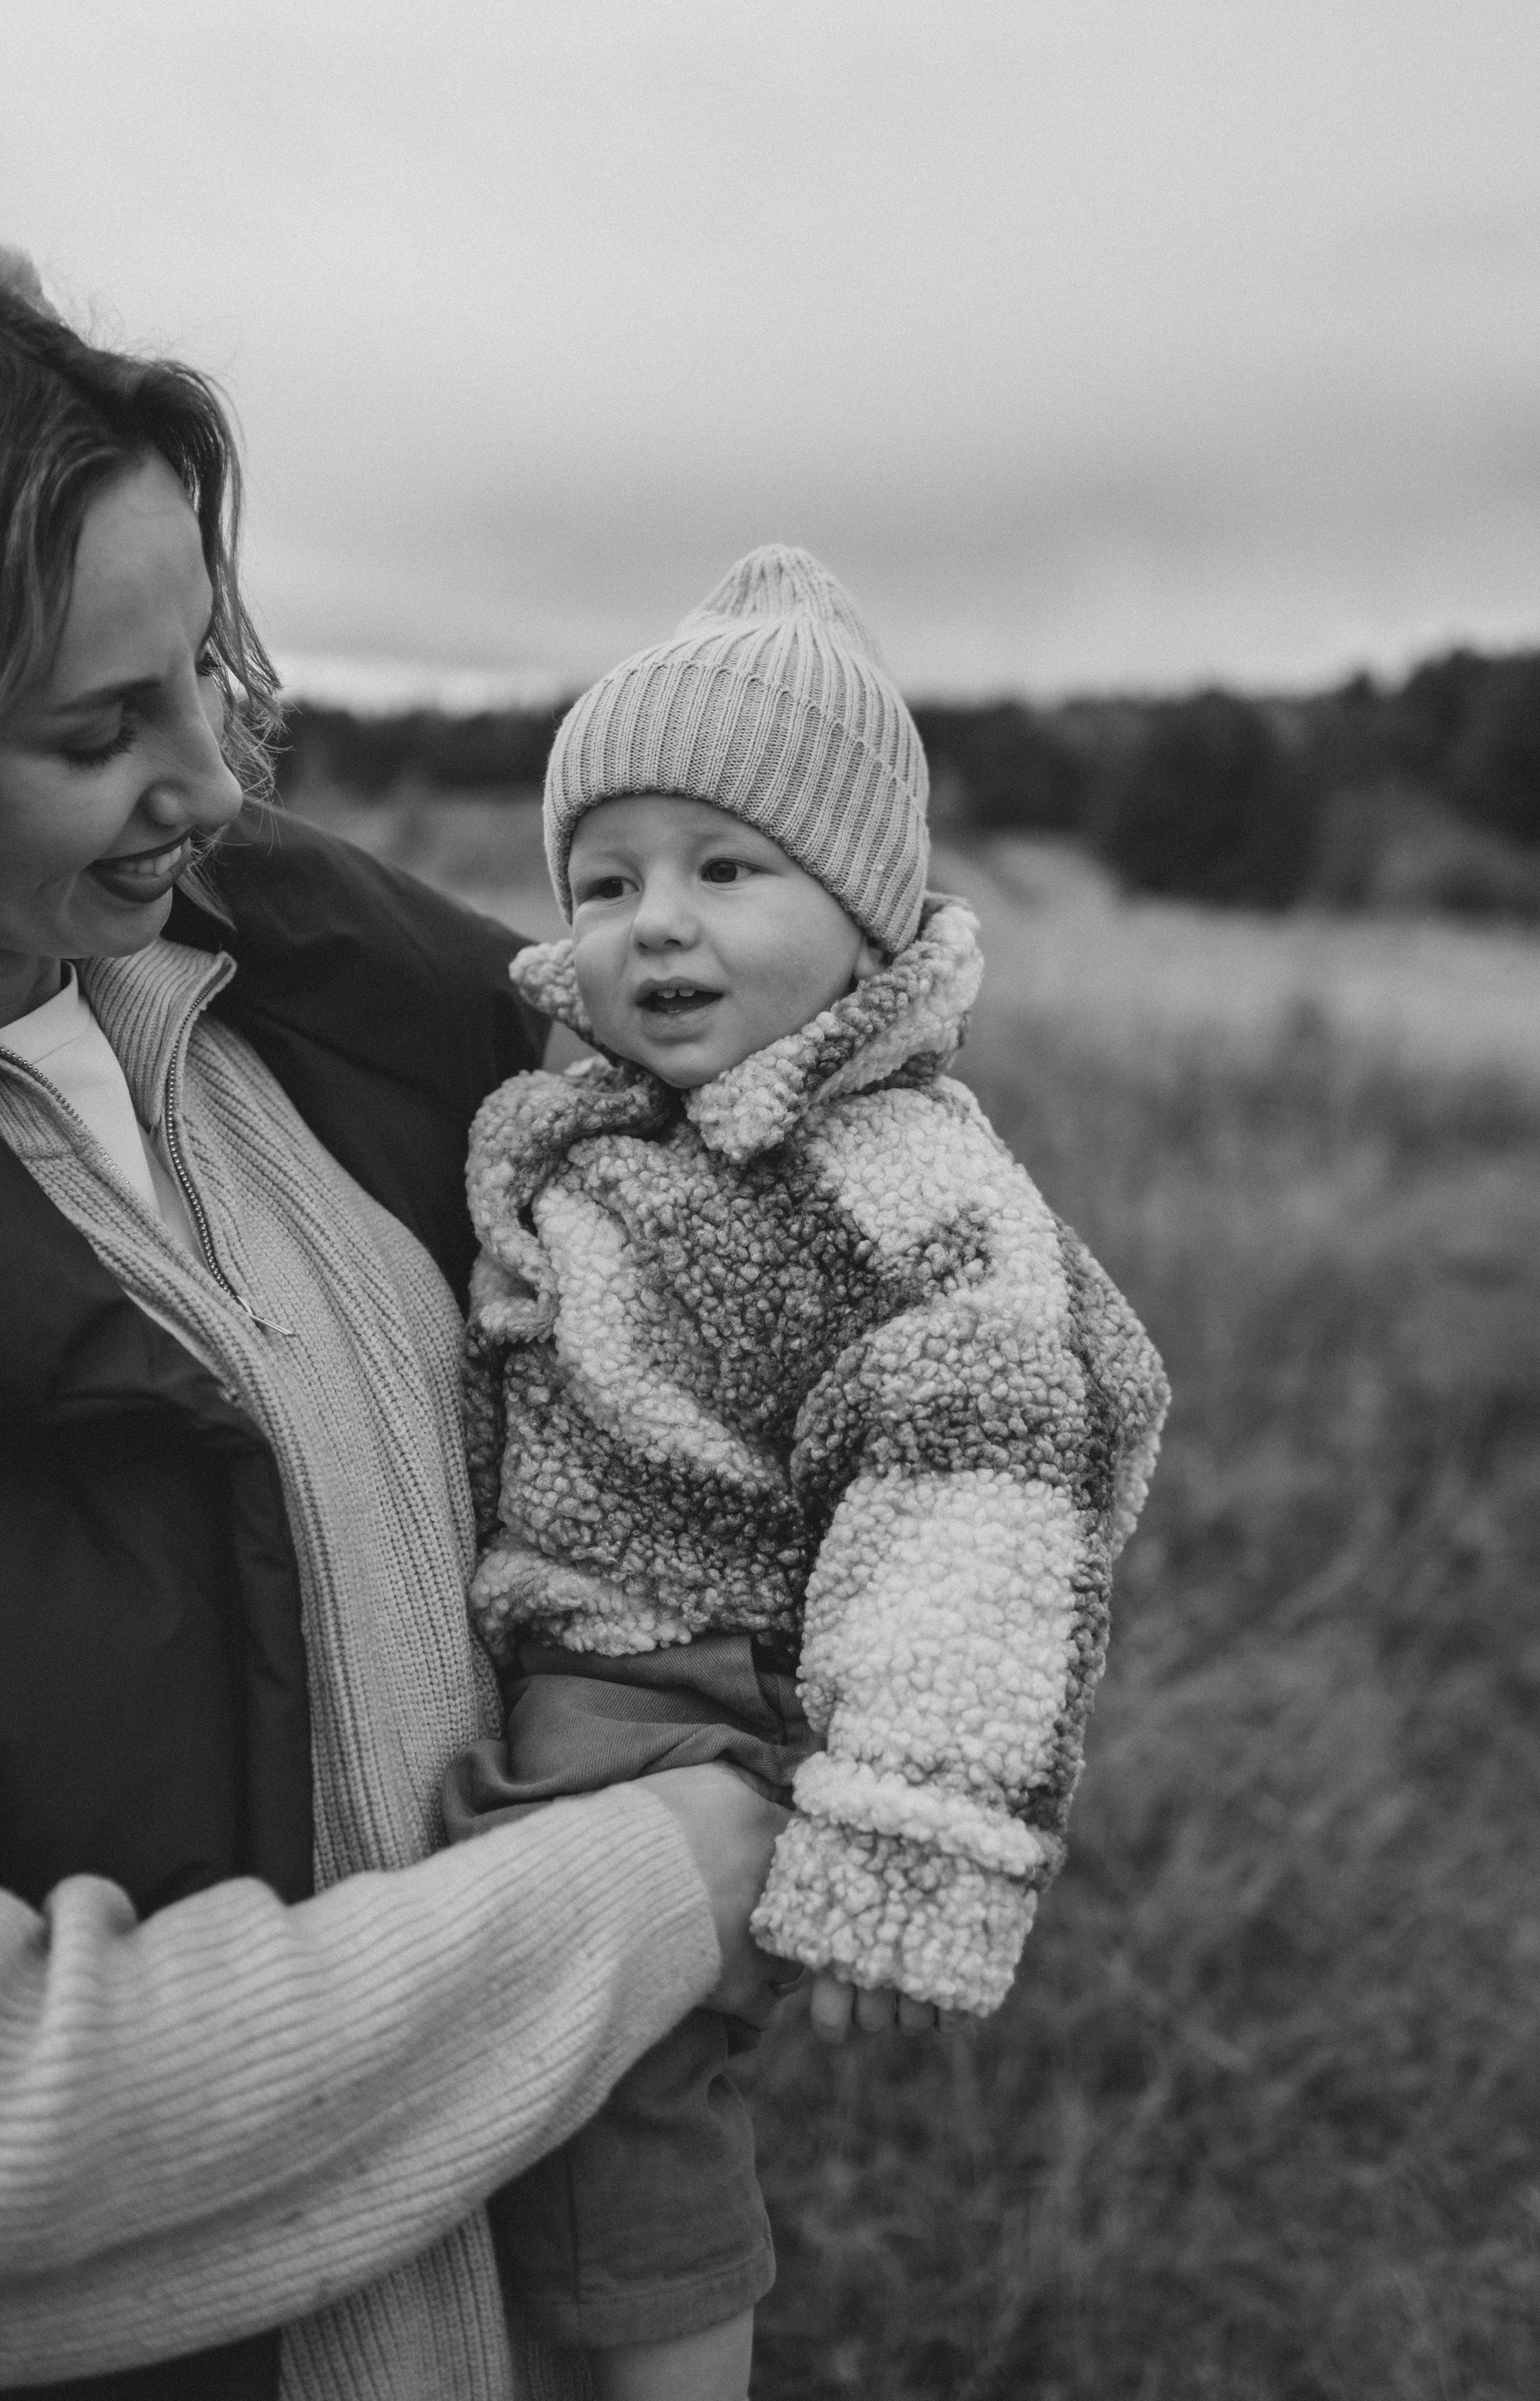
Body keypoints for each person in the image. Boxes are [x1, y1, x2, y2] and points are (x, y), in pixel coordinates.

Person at [0, 255, 798, 2401]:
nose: (210, 782)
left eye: (207, 673)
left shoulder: (302, 1007)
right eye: (97, 732)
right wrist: (661, 1891)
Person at [451, 546, 1170, 2401]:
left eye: (726, 869)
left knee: (625, 2097)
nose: (655, 925)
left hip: (690, 1693)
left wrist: (898, 1830)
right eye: (606, 882)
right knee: (510, 2091)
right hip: (575, 1660)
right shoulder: (614, 1124)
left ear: (865, 916)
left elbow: (976, 1513)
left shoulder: (900, 1181)